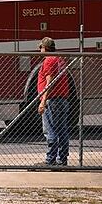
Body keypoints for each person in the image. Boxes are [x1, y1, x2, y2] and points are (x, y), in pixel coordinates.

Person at [37, 37, 69, 166]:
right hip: (62, 100)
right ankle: (62, 159)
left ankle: (50, 160)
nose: (39, 50)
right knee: (62, 130)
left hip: (52, 100)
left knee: (50, 130)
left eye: (40, 48)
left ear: (45, 48)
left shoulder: (49, 60)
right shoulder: (59, 59)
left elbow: (49, 81)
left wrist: (43, 101)